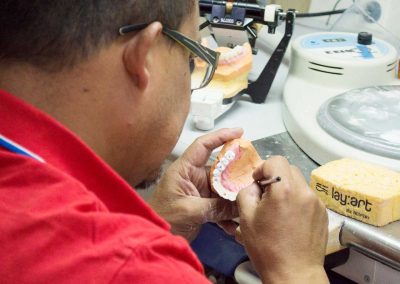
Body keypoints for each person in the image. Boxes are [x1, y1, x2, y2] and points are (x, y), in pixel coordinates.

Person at [0, 1, 329, 283]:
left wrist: (153, 225)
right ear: (144, 58)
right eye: (192, 58)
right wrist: (299, 269)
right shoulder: (129, 267)